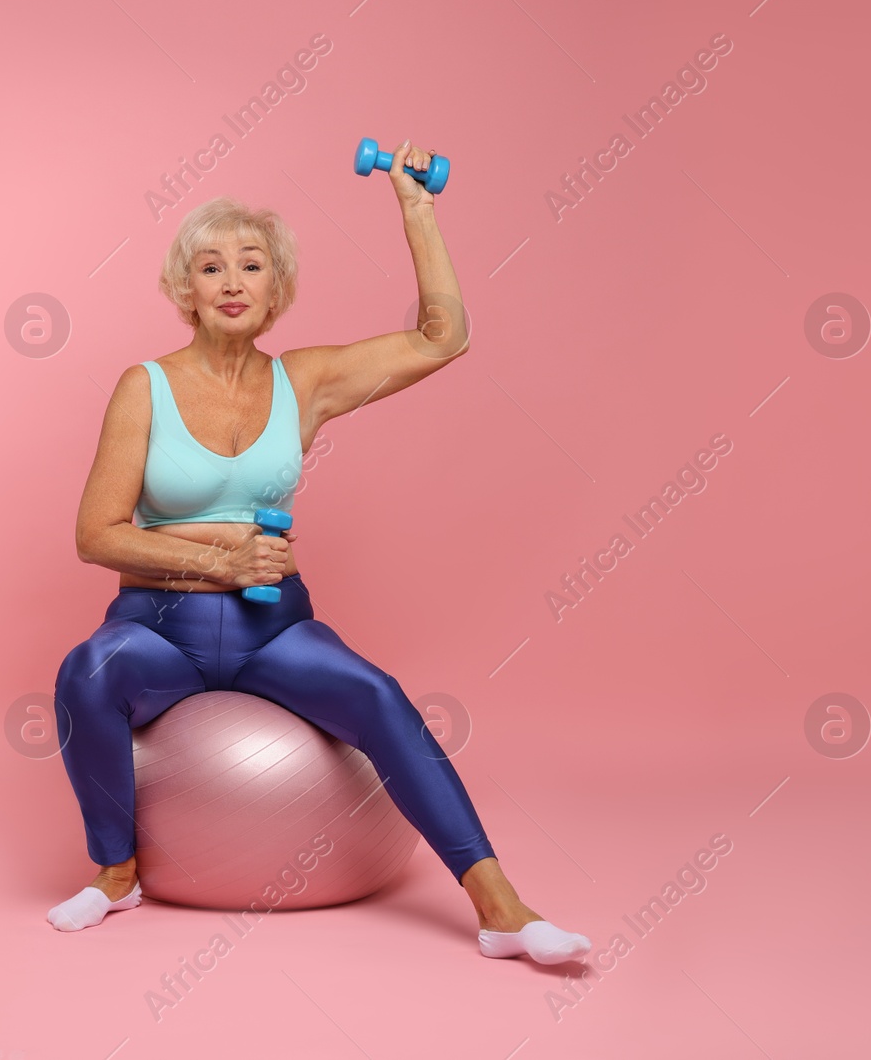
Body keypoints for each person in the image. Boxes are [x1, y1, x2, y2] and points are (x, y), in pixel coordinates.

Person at [47, 141, 591, 965]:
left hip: (274, 627)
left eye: (252, 264)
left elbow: (444, 339)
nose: (232, 281)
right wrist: (215, 557)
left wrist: (415, 209)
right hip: (159, 627)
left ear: (276, 291)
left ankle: (501, 909)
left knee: (377, 692)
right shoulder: (143, 387)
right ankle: (117, 870)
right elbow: (97, 534)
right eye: (211, 266)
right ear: (184, 291)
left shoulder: (306, 383)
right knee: (86, 671)